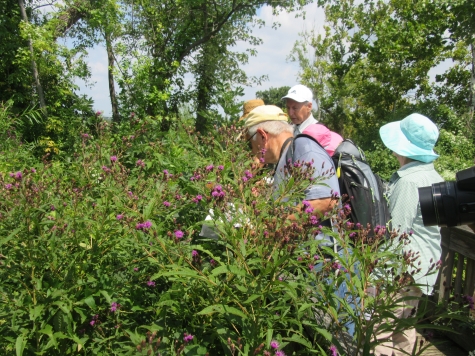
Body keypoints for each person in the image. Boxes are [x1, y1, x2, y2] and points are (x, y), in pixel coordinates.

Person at [375, 113, 444, 355]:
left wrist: (377, 276)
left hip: (402, 270)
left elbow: (398, 234)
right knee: (404, 326)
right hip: (422, 267)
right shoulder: (433, 177)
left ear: (402, 148)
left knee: (379, 330)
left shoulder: (407, 182)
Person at [244, 105, 339, 215]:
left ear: (263, 136)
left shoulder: (303, 148)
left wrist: (275, 225)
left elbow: (326, 201)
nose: (251, 151)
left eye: (250, 143)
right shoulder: (284, 158)